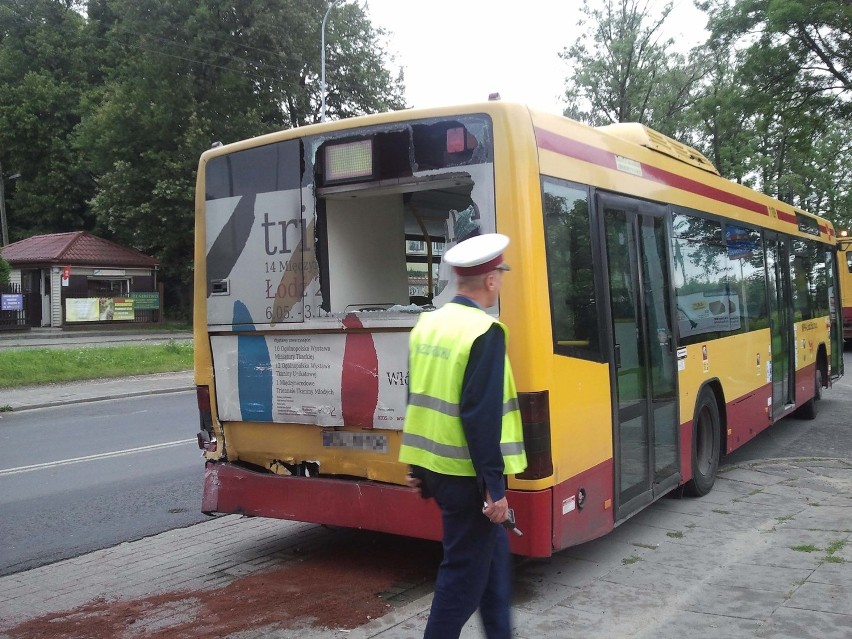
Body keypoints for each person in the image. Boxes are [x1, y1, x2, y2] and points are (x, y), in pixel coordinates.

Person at [399, 232, 527, 639]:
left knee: (492, 568)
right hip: (467, 478)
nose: (502, 280)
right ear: (491, 280)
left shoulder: (428, 324)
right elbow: (480, 416)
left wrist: (419, 467)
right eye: (501, 274)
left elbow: (416, 395)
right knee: (461, 581)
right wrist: (494, 489)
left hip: (439, 470)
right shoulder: (484, 332)